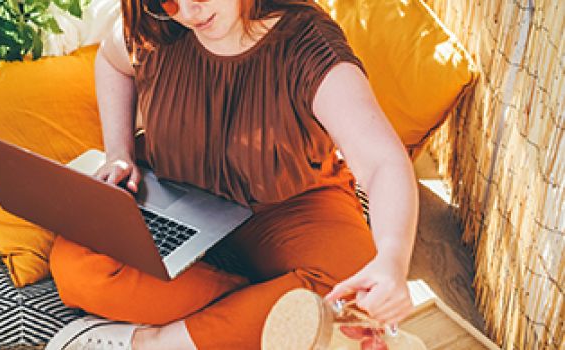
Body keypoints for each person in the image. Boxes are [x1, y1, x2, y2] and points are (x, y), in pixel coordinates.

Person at [45, 0, 418, 348]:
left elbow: (382, 161)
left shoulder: (306, 42)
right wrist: (119, 153)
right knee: (78, 265)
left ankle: (154, 341)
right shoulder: (159, 25)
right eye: (169, 0)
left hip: (290, 205)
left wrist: (392, 259)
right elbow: (112, 63)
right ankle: (257, 303)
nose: (190, 12)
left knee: (350, 288)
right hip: (177, 195)